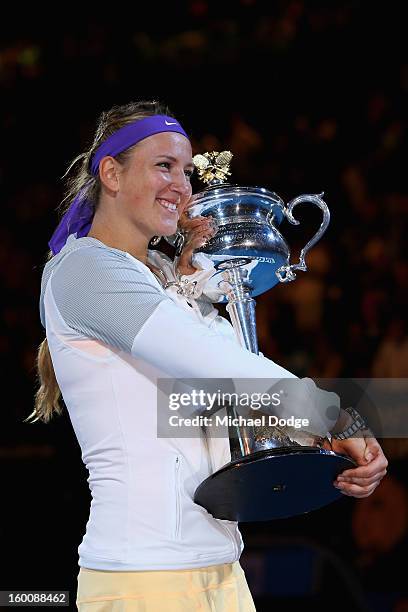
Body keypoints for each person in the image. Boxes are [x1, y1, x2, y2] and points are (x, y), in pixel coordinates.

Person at [31, 100, 388, 612]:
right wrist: (338, 414)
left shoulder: (168, 279)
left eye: (186, 169)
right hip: (143, 578)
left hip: (219, 567)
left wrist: (323, 439)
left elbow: (226, 394)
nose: (182, 184)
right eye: (163, 166)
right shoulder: (84, 270)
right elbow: (218, 369)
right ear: (111, 172)